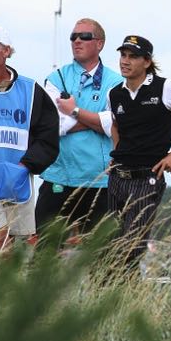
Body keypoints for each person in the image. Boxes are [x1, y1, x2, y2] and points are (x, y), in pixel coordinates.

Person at [107, 35, 171, 269]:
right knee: (111, 246)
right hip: (117, 178)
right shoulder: (114, 94)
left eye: (132, 56)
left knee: (132, 246)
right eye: (123, 55)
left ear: (146, 61)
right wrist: (116, 154)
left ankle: (127, 295)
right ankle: (117, 297)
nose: (125, 61)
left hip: (147, 178)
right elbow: (115, 125)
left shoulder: (166, 88)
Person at [0, 25, 59, 253]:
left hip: (18, 181)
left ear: (6, 51)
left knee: (19, 255)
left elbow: (49, 135)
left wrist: (27, 164)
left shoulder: (31, 90)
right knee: (0, 248)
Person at [36, 18, 123, 243]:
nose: (77, 41)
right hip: (59, 176)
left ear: (99, 43)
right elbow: (53, 124)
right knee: (45, 253)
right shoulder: (57, 78)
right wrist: (98, 121)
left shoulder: (116, 81)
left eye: (84, 36)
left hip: (99, 181)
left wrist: (73, 111)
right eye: (73, 36)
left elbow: (116, 123)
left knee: (102, 255)